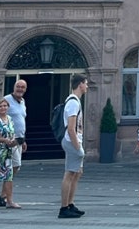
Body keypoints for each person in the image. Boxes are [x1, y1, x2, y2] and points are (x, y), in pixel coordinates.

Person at [59, 72, 89, 219]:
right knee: (70, 173)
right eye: (86, 83)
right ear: (80, 84)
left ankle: (70, 204)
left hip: (75, 140)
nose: (87, 86)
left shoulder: (75, 101)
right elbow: (71, 128)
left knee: (77, 173)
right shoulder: (73, 103)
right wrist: (77, 147)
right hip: (72, 141)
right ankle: (64, 207)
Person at [0, 79, 27, 207]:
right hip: (10, 140)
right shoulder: (6, 100)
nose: (20, 89)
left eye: (22, 87)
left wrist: (24, 139)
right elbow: (0, 117)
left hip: (19, 140)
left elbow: (21, 120)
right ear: (14, 87)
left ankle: (3, 195)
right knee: (12, 167)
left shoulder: (23, 102)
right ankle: (7, 198)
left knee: (15, 167)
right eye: (18, 86)